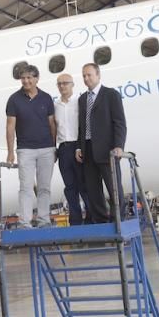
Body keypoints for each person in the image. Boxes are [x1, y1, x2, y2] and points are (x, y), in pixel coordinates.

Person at [6, 64, 57, 228]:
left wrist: (54, 146)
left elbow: (52, 124)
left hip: (46, 149)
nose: (26, 81)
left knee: (44, 187)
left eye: (29, 78)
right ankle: (24, 222)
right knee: (26, 187)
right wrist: (10, 152)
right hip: (25, 150)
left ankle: (44, 220)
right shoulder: (14, 99)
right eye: (23, 78)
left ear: (36, 79)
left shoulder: (46, 98)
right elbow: (10, 127)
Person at [77, 63, 127, 224]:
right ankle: (101, 223)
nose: (86, 78)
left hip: (107, 150)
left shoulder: (111, 95)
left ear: (98, 75)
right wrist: (79, 146)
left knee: (114, 190)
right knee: (93, 191)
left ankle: (118, 223)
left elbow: (119, 122)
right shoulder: (82, 99)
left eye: (89, 75)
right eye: (84, 75)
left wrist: (119, 145)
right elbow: (81, 126)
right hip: (88, 150)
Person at [54, 73, 90, 226]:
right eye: (60, 84)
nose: (63, 86)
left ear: (72, 84)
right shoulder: (55, 105)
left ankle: (91, 219)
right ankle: (75, 221)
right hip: (63, 149)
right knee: (70, 187)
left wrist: (80, 147)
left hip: (78, 147)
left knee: (84, 185)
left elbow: (83, 125)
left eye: (66, 83)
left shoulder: (79, 101)